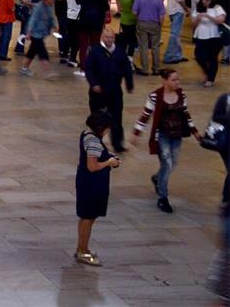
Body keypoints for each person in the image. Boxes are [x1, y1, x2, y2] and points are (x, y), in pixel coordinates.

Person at [131, 68, 199, 213]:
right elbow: (146, 115)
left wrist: (195, 132)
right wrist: (137, 132)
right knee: (167, 163)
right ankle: (163, 197)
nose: (177, 82)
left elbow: (186, 114)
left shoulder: (181, 94)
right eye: (173, 80)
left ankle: (157, 178)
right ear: (165, 81)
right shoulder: (155, 96)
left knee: (172, 164)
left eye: (177, 79)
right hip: (162, 135)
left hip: (177, 135)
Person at [74, 110, 121, 266]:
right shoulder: (94, 141)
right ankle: (82, 252)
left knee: (86, 217)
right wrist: (110, 162)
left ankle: (82, 248)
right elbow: (92, 166)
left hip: (86, 183)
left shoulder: (87, 134)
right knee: (88, 217)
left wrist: (107, 155)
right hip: (92, 185)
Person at [85, 25, 135, 152]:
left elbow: (126, 68)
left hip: (114, 90)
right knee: (97, 118)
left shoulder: (119, 51)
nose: (109, 40)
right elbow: (89, 69)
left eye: (111, 37)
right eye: (107, 37)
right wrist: (94, 84)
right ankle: (96, 144)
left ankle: (118, 144)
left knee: (117, 117)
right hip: (98, 91)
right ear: (102, 37)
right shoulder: (95, 50)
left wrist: (129, 84)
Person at [21, 0, 59, 78]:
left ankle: (24, 68)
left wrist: (55, 26)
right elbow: (32, 20)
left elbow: (51, 17)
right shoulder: (39, 7)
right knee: (42, 52)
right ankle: (48, 71)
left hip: (42, 33)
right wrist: (29, 33)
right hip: (35, 34)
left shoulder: (50, 7)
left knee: (32, 52)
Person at [194, 0, 227, 87]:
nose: (204, 2)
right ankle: (207, 73)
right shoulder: (199, 8)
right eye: (203, 0)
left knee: (212, 58)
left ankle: (210, 79)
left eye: (207, 0)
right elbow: (194, 24)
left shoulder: (217, 8)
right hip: (201, 36)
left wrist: (208, 16)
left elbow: (221, 20)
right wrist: (198, 18)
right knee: (199, 56)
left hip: (214, 36)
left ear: (211, 0)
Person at [134, 0, 166, 75]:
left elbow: (134, 12)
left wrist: (139, 19)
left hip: (142, 23)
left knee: (143, 46)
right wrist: (160, 25)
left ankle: (145, 69)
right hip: (155, 24)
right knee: (155, 47)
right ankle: (156, 69)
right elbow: (162, 15)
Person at [164, 0, 188, 64]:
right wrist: (187, 9)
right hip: (178, 10)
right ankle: (169, 56)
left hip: (171, 9)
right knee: (174, 34)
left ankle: (178, 55)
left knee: (176, 34)